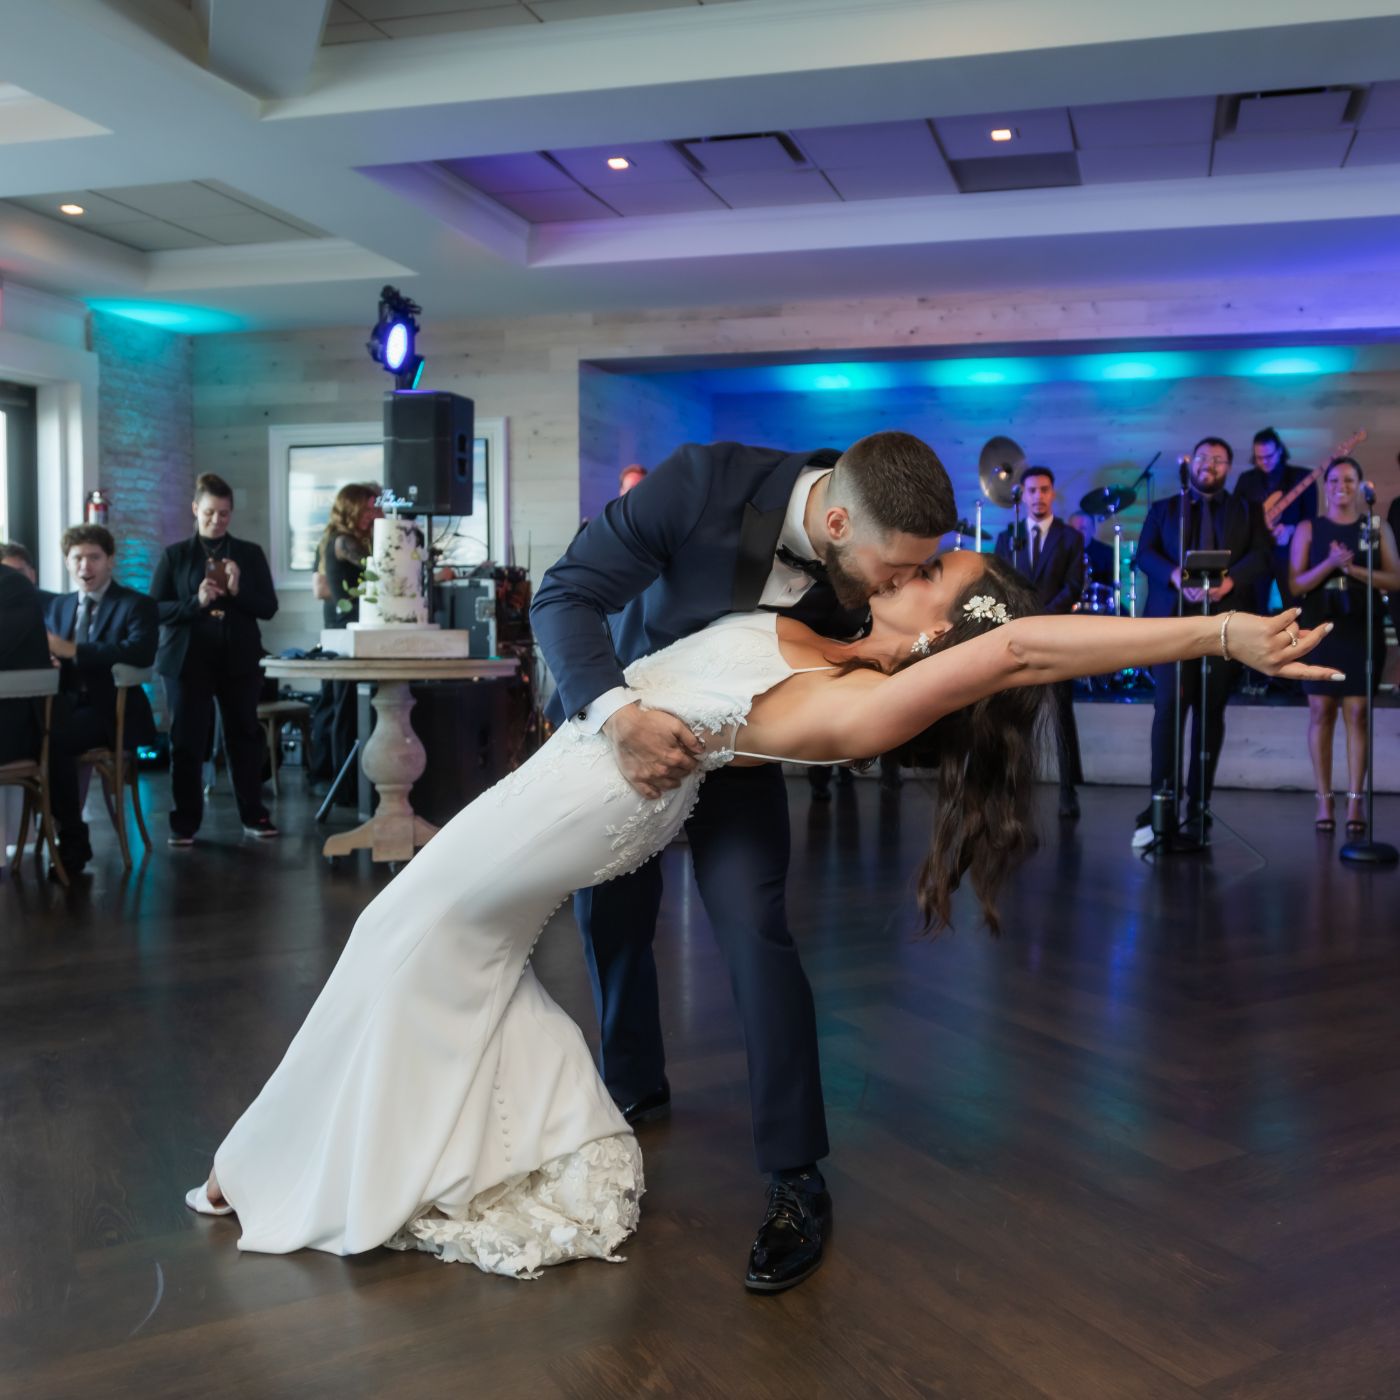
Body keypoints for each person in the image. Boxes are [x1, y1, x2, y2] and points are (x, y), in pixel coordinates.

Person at [186, 547, 1335, 1282]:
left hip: (583, 804)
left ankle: (272, 1163)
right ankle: (467, 1135)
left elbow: (1023, 644)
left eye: (936, 565)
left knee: (402, 931)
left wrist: (1218, 631)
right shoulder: (830, 633)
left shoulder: (865, 706)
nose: (913, 558)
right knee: (437, 943)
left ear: (947, 632)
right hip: (573, 781)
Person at [531, 432, 955, 1292]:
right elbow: (565, 593)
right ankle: (632, 1084)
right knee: (610, 919)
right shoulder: (698, 483)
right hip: (624, 725)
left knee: (757, 932)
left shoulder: (874, 543)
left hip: (743, 750)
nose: (905, 588)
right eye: (896, 570)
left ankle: (796, 1177)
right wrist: (615, 715)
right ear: (836, 521)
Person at [1131, 437, 1270, 848]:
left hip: (1223, 624)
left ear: (1229, 467)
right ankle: (1162, 799)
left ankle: (1199, 803)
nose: (1210, 465)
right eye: (1204, 458)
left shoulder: (1246, 509)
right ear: (1192, 463)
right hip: (1171, 624)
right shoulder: (1165, 509)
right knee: (1168, 711)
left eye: (1219, 460)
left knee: (1210, 714)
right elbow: (1144, 554)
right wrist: (1176, 577)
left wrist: (1230, 581)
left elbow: (1262, 556)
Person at [151, 473, 279, 845]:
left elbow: (268, 608)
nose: (216, 521)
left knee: (244, 736)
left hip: (238, 658)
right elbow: (155, 609)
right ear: (195, 509)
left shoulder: (249, 553)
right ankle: (185, 822)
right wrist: (196, 602)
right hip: (187, 661)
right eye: (209, 513)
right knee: (187, 741)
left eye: (224, 514)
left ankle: (253, 813)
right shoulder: (175, 555)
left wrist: (237, 591)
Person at [1289, 456, 1400, 833]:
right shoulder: (1309, 527)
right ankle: (1324, 799)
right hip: (1320, 624)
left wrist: (1351, 569)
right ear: (1326, 485)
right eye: (1335, 479)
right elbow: (1296, 584)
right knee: (1321, 711)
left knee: (1357, 712)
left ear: (1361, 485)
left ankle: (1355, 802)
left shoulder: (1375, 525)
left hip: (1360, 623)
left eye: (1350, 480)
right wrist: (1331, 564)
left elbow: (1394, 579)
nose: (1342, 486)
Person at [41, 525, 158, 873]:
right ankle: (42, 831)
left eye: (94, 557)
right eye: (77, 558)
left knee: (54, 741)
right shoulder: (58, 606)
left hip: (109, 712)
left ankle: (73, 840)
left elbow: (139, 652)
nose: (85, 567)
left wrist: (74, 651)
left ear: (110, 561)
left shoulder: (136, 604)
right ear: (66, 562)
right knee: (31, 734)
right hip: (63, 704)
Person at [995, 467, 1086, 819]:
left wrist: (1042, 615)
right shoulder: (1008, 536)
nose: (1038, 496)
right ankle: (1015, 792)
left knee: (1062, 713)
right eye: (1032, 490)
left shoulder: (1069, 538)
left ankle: (1068, 789)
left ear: (1053, 493)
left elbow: (1074, 585)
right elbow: (1000, 581)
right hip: (1018, 636)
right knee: (1018, 718)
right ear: (1023, 494)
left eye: (1045, 490)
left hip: (1055, 634)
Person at [308, 484, 381, 795]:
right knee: (344, 710)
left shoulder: (348, 539)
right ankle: (343, 786)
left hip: (350, 633)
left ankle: (346, 784)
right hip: (343, 634)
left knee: (347, 708)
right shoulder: (342, 542)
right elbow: (380, 570)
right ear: (351, 510)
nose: (370, 515)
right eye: (365, 510)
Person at [1234, 427, 1317, 615]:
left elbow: (1311, 518)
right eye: (1259, 458)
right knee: (1254, 609)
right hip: (1256, 553)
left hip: (1290, 552)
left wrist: (1291, 529)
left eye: (1269, 456)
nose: (1264, 462)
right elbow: (1237, 516)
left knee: (1295, 608)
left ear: (1280, 451)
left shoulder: (1301, 477)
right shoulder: (1246, 480)